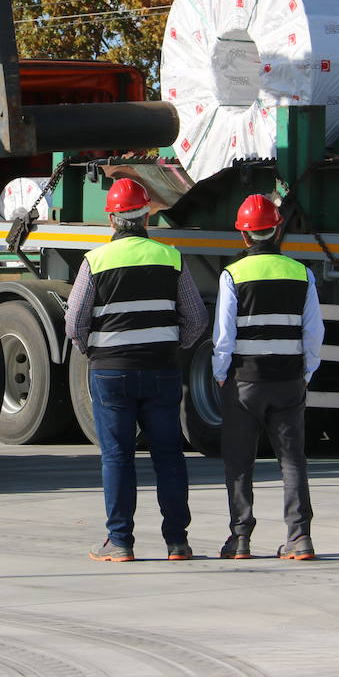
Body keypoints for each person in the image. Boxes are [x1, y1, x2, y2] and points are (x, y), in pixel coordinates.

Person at [67, 178, 207, 563]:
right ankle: (177, 542)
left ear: (112, 218)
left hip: (111, 373)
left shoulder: (95, 261)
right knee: (169, 456)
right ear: (147, 215)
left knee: (117, 457)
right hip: (161, 369)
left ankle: (120, 542)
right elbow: (196, 319)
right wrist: (170, 346)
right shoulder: (171, 257)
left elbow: (75, 324)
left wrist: (95, 353)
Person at [213, 193, 324, 561]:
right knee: (292, 459)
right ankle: (300, 537)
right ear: (277, 230)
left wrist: (221, 374)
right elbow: (313, 333)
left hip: (245, 381)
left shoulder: (233, 274)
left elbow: (224, 336)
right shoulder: (301, 273)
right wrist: (305, 372)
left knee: (239, 460)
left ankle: (240, 539)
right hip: (289, 380)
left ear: (244, 236)